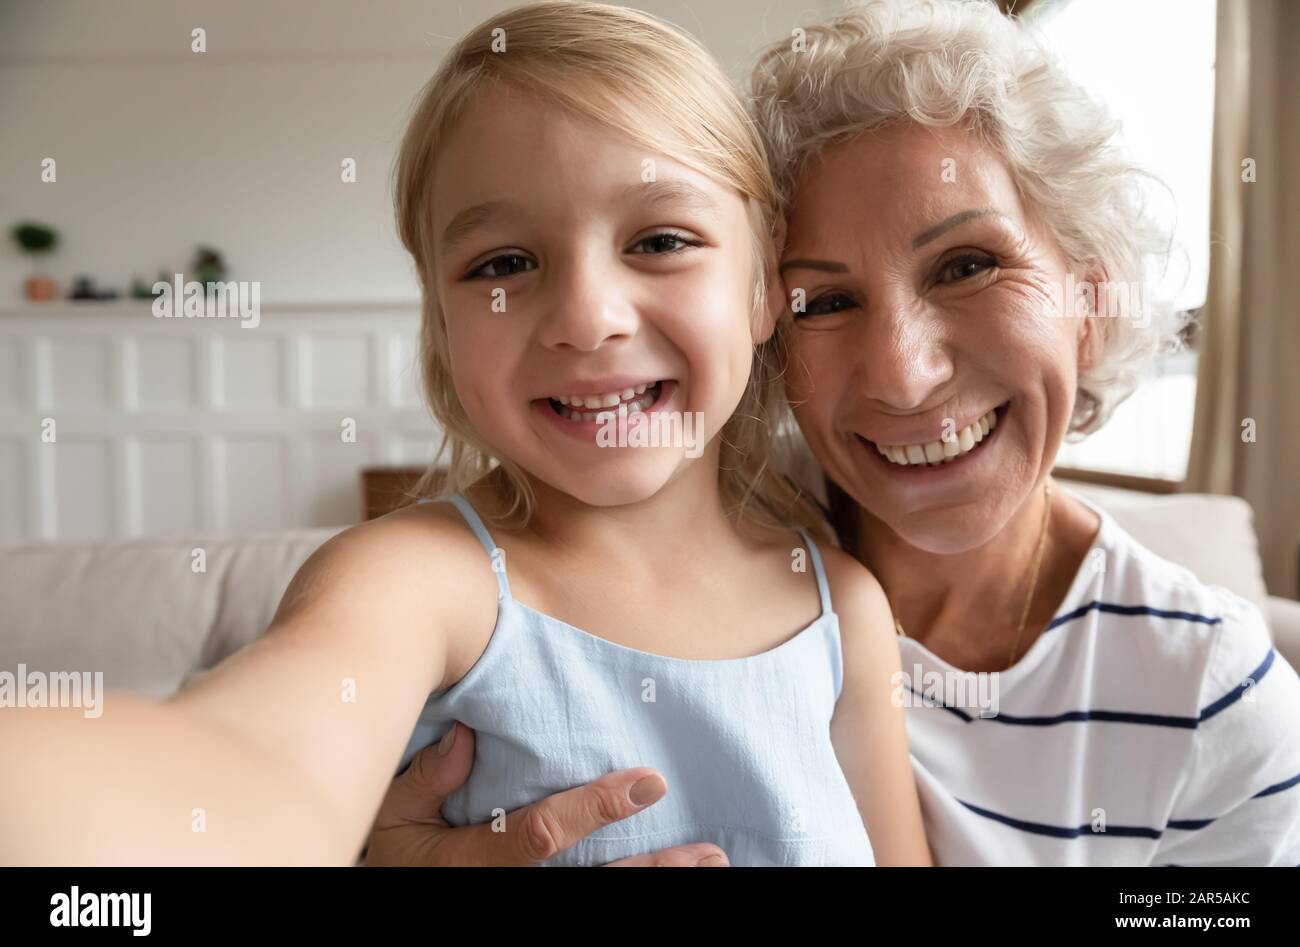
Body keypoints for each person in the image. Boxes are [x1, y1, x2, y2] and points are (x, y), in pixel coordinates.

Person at [369, 0, 1300, 866]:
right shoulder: (661, 535)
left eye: (967, 265)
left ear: (1090, 304)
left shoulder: (1213, 694)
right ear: (761, 312)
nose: (901, 371)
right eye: (826, 299)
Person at [0, 1, 930, 868]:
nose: (586, 316)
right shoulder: (418, 581)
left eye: (659, 241)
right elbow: (249, 760)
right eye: (505, 263)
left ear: (765, 286)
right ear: (443, 331)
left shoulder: (840, 608)